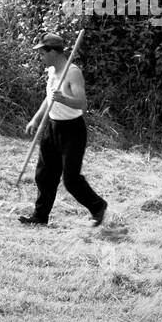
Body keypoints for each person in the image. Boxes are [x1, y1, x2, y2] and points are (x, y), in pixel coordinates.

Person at [18, 33, 107, 226]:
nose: (40, 56)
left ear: (53, 52)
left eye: (43, 52)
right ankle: (40, 217)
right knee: (44, 175)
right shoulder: (52, 71)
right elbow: (49, 98)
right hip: (52, 126)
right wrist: (35, 119)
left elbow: (82, 105)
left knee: (70, 179)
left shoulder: (72, 72)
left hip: (72, 131)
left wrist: (64, 99)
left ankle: (98, 206)